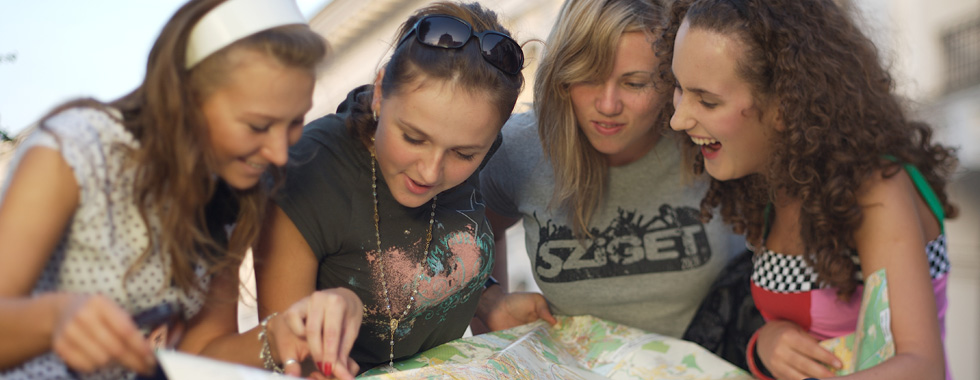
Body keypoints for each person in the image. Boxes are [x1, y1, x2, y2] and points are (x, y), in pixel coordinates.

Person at [0, 0, 348, 378]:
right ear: (186, 98)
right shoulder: (74, 152)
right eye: (257, 126)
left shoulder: (230, 189)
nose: (280, 153)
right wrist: (54, 318)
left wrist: (277, 335)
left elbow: (199, 353)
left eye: (295, 121)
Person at [663, 0, 957, 379]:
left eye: (707, 100)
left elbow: (923, 367)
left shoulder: (875, 188)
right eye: (678, 88)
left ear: (786, 104)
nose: (678, 118)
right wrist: (764, 343)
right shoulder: (780, 180)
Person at [251, 1, 525, 372]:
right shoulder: (309, 168)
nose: (430, 172)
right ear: (380, 91)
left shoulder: (477, 145)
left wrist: (490, 299)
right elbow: (286, 358)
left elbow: (474, 231)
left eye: (463, 154)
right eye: (413, 137)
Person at [475, 0, 744, 342]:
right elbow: (471, 235)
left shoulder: (709, 141)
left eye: (635, 83)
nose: (607, 106)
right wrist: (489, 301)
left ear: (672, 81)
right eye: (588, 76)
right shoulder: (517, 149)